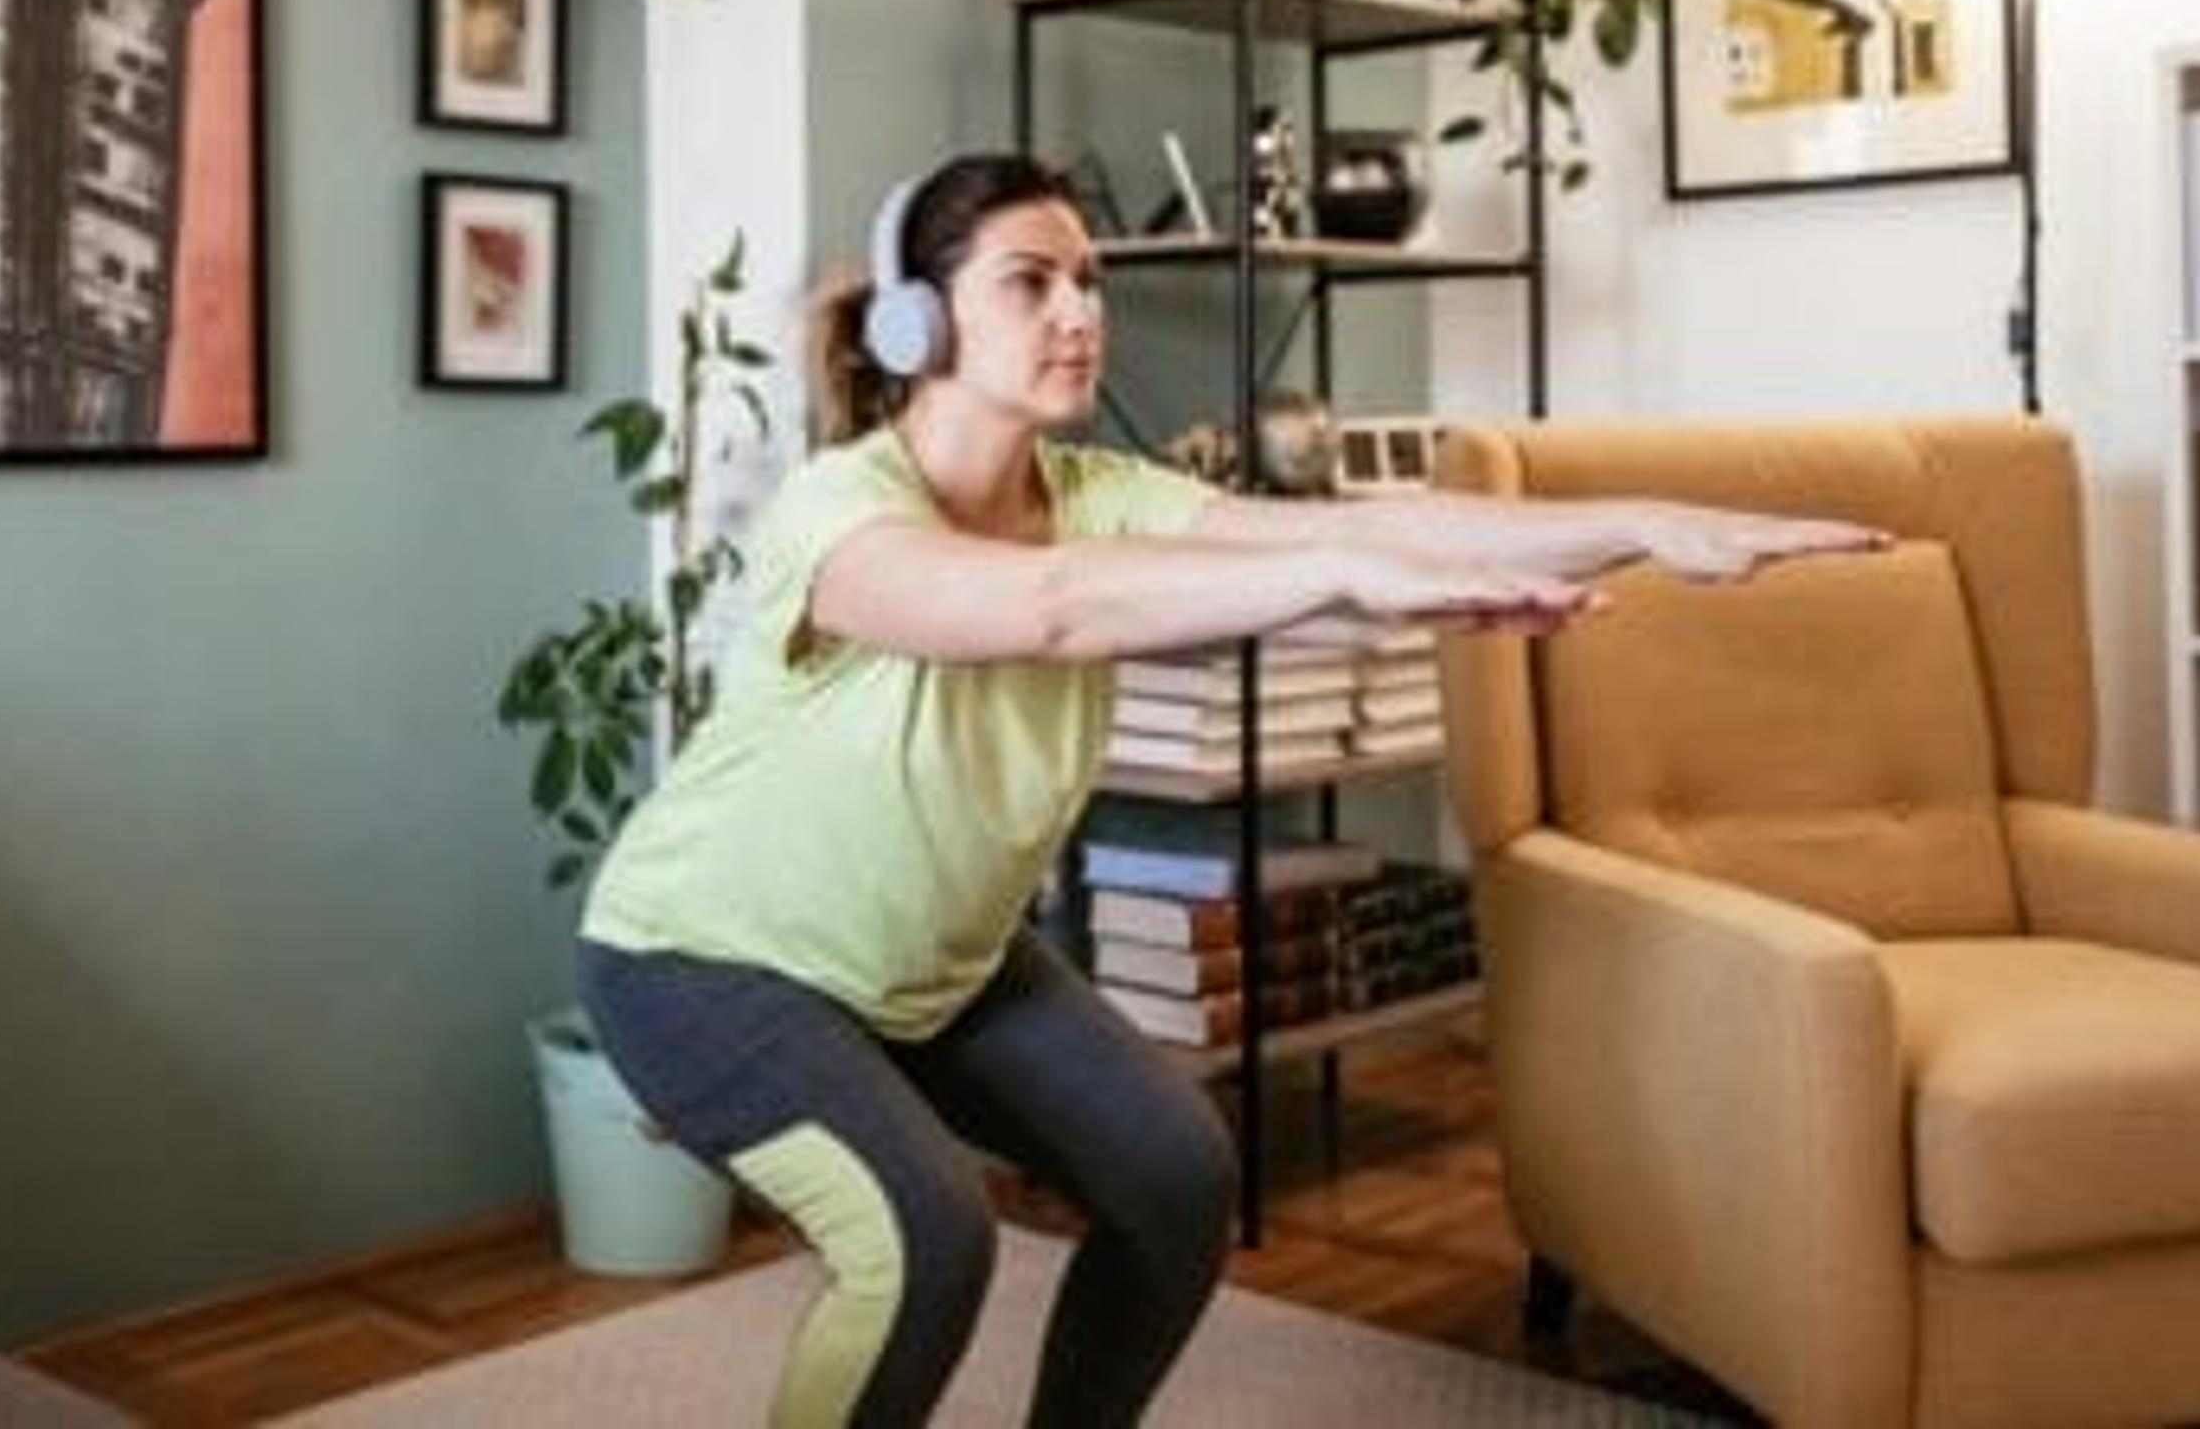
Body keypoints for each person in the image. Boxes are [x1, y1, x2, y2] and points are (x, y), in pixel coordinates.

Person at [575, 153, 1882, 1427]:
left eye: (1088, 281)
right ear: (925, 323)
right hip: (705, 961)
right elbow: (1049, 609)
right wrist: (1338, 576)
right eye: (1032, 284)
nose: (1082, 313)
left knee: (1176, 1181)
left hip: (930, 966)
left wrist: (1647, 525)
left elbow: (1365, 530)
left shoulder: (1099, 494)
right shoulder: (838, 511)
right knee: (926, 1244)